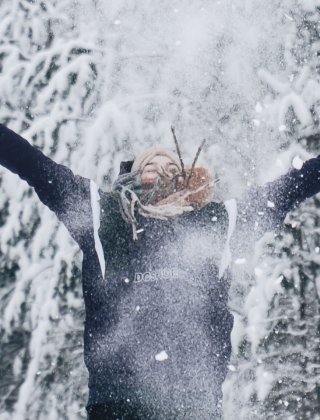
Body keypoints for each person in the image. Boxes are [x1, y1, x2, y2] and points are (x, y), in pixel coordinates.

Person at [0, 123, 319, 420]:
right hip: (117, 400)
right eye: (151, 167)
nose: (162, 173)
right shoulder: (105, 218)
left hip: (195, 401)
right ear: (133, 177)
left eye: (172, 169)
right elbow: (35, 166)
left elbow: (288, 189)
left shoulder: (216, 224)